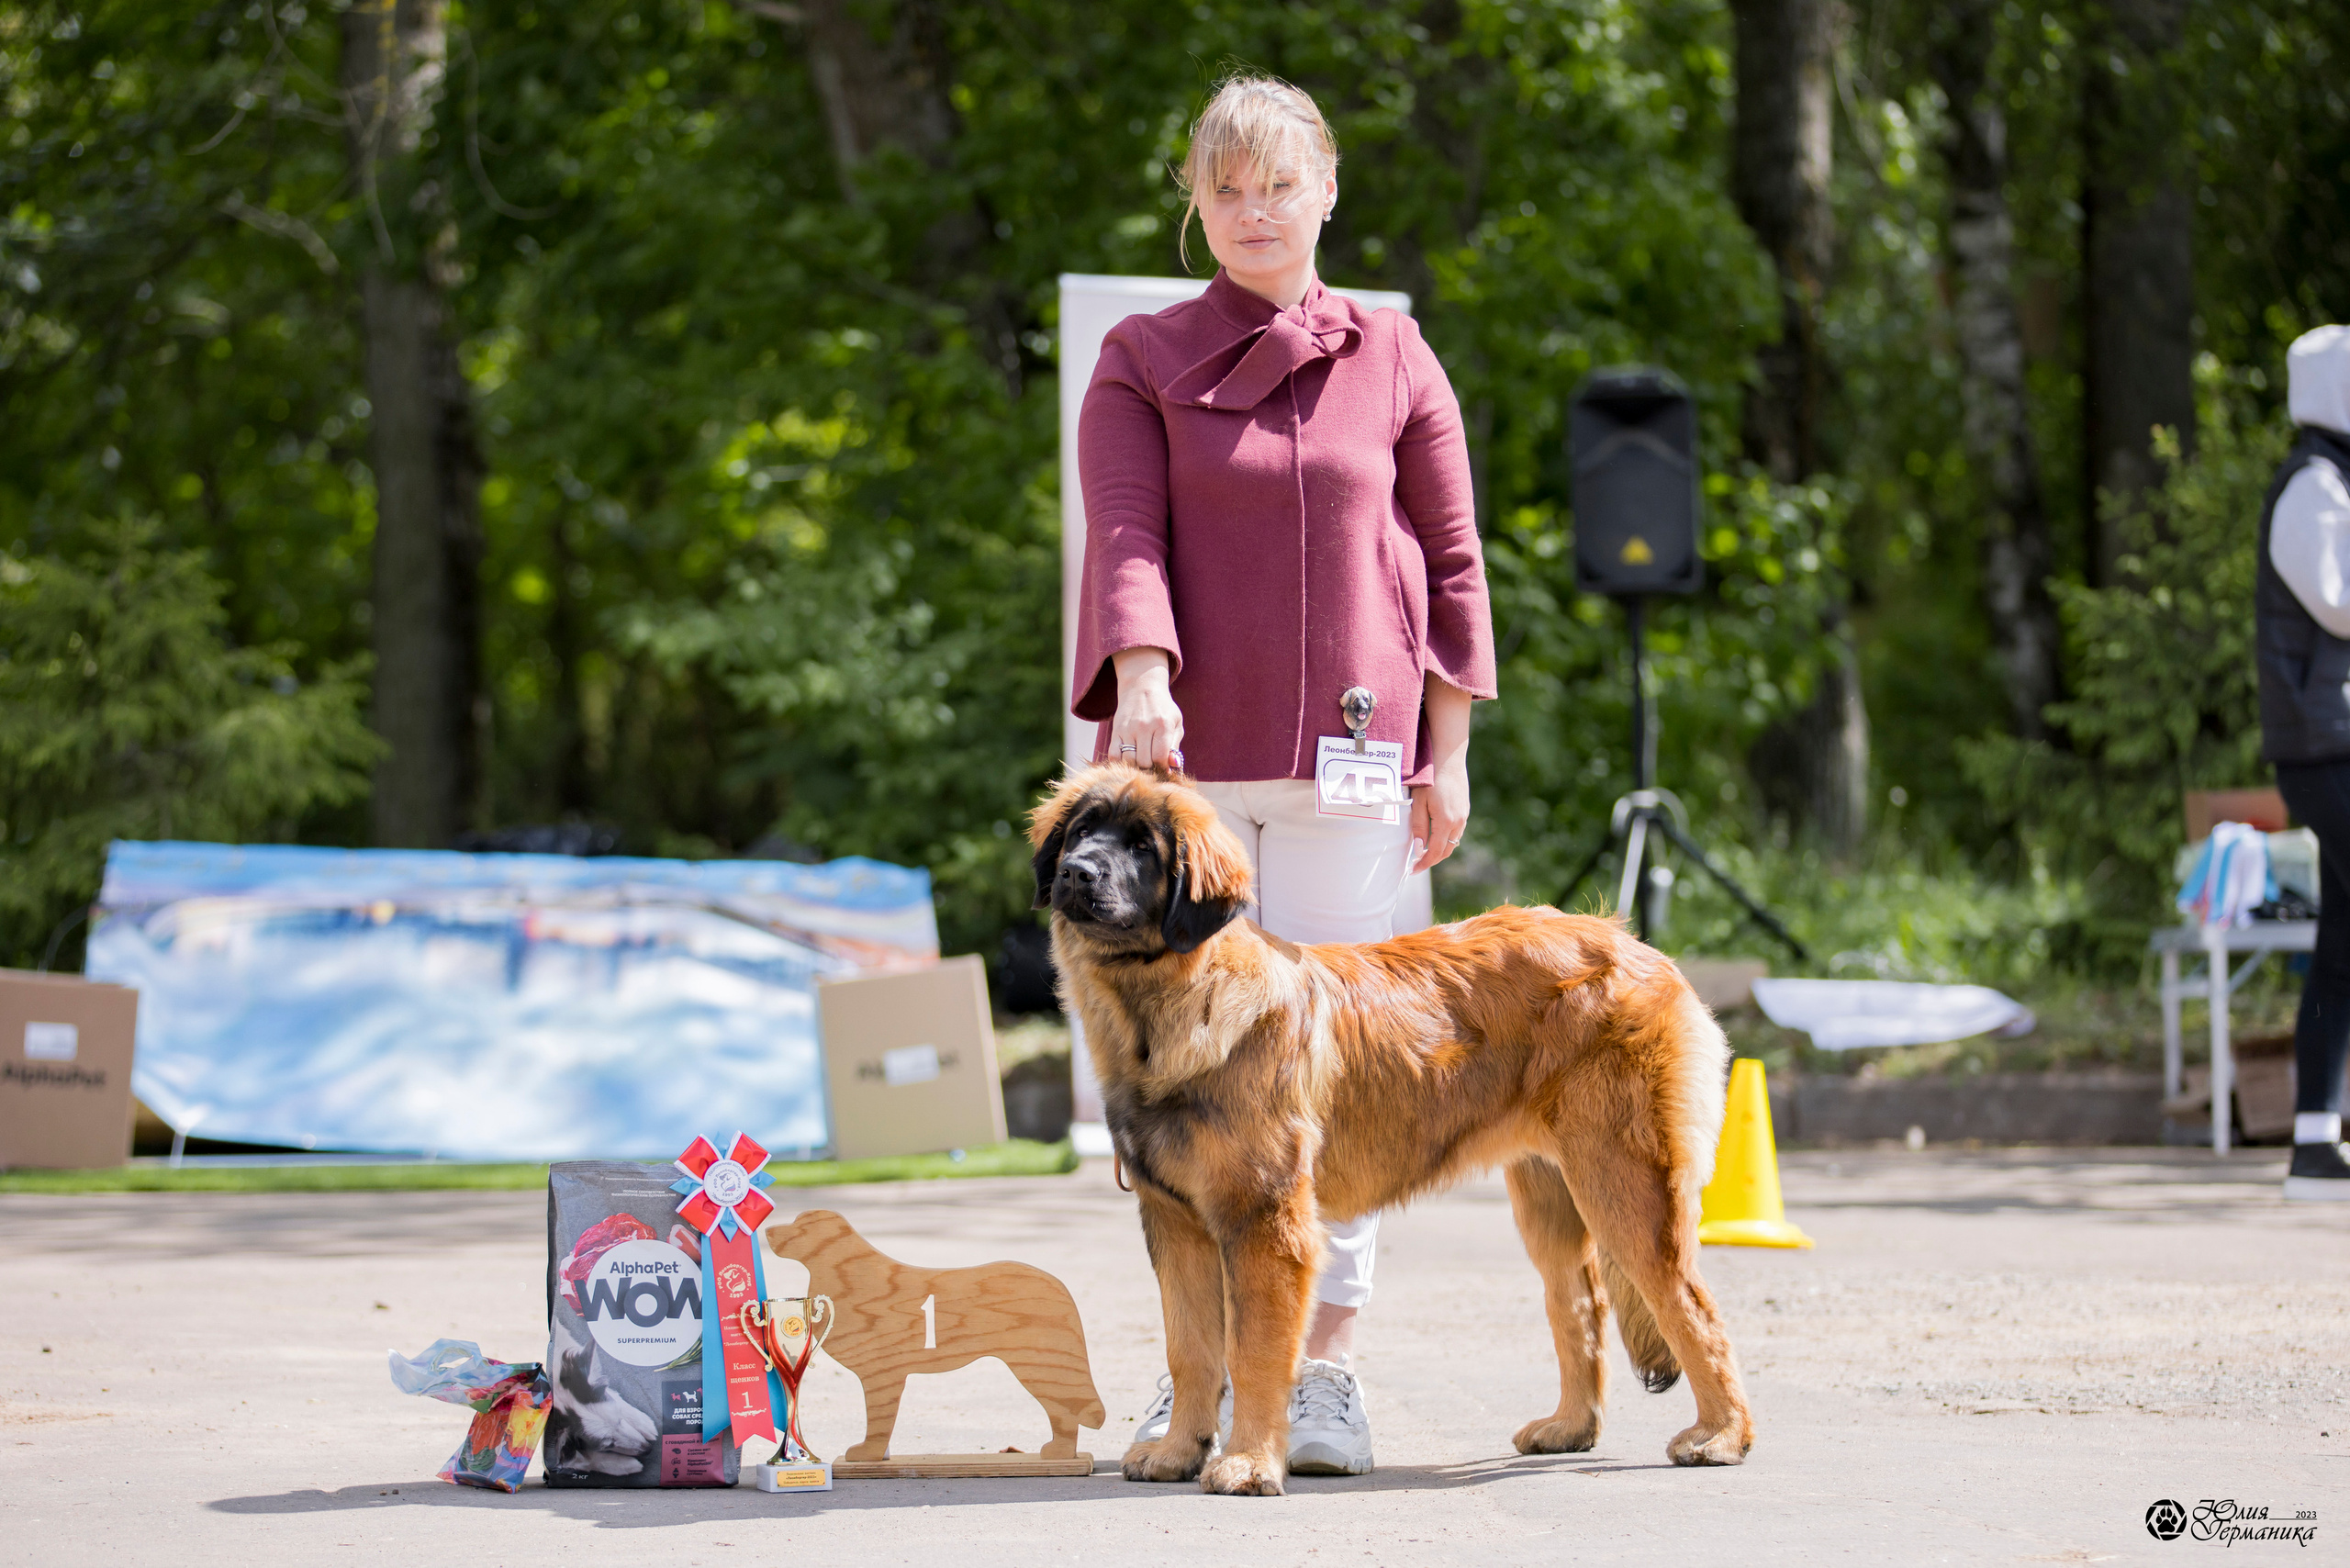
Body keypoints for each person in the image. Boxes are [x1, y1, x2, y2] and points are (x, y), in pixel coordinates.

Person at [1070, 74, 1497, 1472]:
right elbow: (1124, 531)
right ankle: (1194, 1379)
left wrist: (1449, 750)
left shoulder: (1396, 353)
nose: (1254, 211)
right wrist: (1142, 678)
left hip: (1354, 766)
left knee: (1331, 1085)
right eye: (1227, 188)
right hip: (1179, 774)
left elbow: (1453, 560)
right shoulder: (1141, 353)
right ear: (1195, 204)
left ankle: (1321, 1375)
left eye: (1278, 185)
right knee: (1172, 1091)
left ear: (1327, 192)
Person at [2257, 324, 2350, 1200]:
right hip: (2326, 747)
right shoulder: (2313, 486)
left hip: (2334, 741)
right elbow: (2335, 599)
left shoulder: (2332, 483)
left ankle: (2315, 1145)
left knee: (2340, 943)